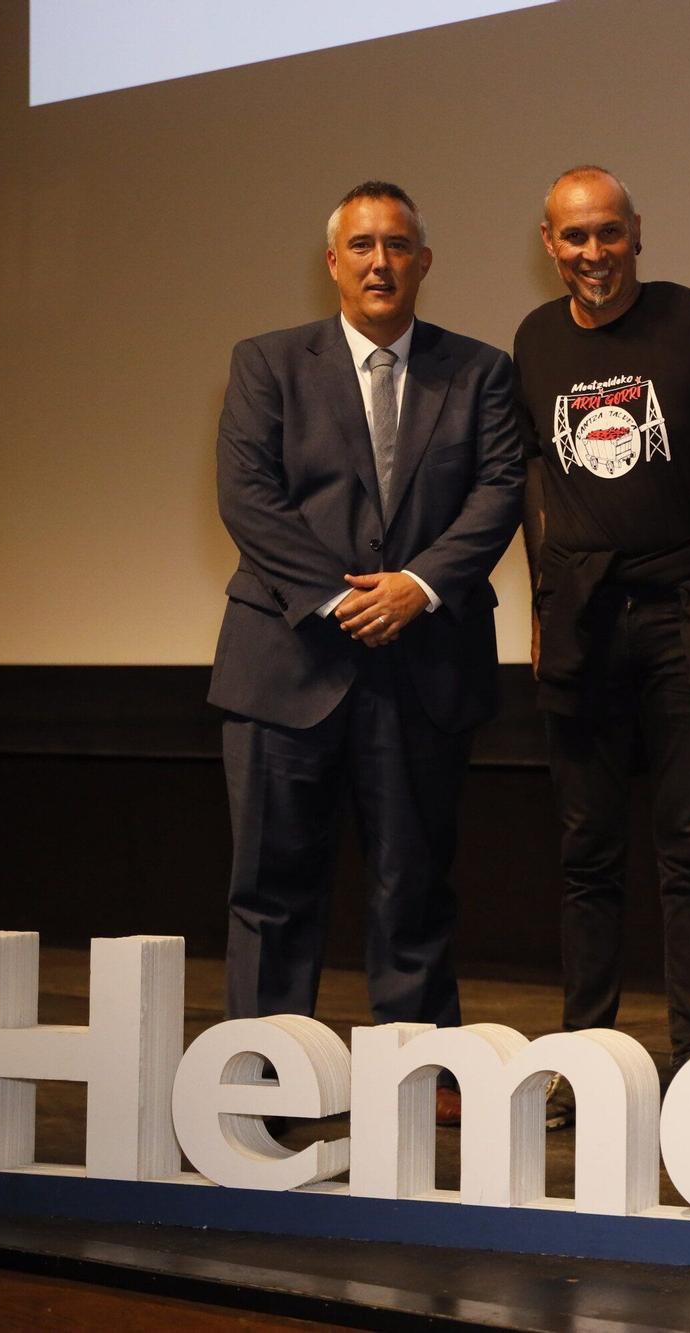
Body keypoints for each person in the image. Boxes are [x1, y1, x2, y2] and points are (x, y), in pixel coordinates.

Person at [211, 181, 525, 1127]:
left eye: (397, 245)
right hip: (286, 664)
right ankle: (262, 1078)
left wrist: (418, 587)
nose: (379, 262)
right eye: (361, 246)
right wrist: (343, 600)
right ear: (333, 263)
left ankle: (421, 1076)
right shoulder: (268, 363)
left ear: (424, 261)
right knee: (271, 890)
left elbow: (500, 489)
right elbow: (248, 497)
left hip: (424, 663)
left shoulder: (481, 371)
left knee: (415, 886)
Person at [512, 166, 690, 1122]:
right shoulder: (533, 340)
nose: (593, 254)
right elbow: (540, 487)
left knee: (689, 851)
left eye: (608, 234)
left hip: (686, 617)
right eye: (574, 237)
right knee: (586, 851)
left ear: (637, 233)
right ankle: (584, 1058)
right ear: (549, 244)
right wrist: (542, 611)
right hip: (582, 627)